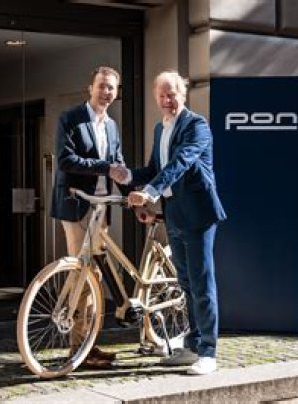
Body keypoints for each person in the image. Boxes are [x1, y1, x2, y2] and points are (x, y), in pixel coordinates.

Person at [113, 70, 226, 375]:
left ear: (182, 94)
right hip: (174, 212)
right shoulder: (159, 129)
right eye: (161, 95)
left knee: (202, 283)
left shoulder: (196, 125)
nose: (166, 100)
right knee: (186, 283)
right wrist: (128, 176)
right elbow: (155, 167)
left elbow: (181, 163)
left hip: (198, 214)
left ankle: (209, 353)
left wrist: (149, 193)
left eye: (171, 94)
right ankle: (193, 345)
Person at [50, 66, 127, 369]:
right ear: (90, 88)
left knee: (96, 277)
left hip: (101, 208)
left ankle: (89, 345)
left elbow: (118, 165)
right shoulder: (70, 118)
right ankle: (78, 347)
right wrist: (105, 167)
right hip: (77, 205)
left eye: (112, 88)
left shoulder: (112, 126)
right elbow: (65, 160)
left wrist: (136, 194)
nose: (106, 92)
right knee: (81, 272)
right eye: (102, 86)